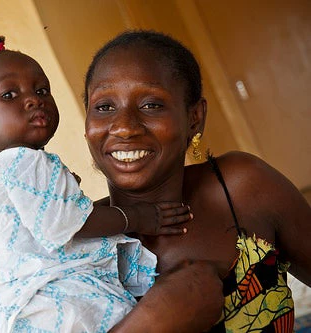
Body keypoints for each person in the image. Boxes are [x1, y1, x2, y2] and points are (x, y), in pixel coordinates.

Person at [0, 36, 195, 332]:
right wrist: (140, 217)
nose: (33, 99)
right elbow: (65, 223)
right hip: (59, 302)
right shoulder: (24, 163)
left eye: (41, 90)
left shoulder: (10, 173)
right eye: (9, 95)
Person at [83, 29, 311, 332]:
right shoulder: (72, 239)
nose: (124, 127)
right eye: (104, 107)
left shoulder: (242, 189)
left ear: (194, 118)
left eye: (151, 104)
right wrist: (153, 321)